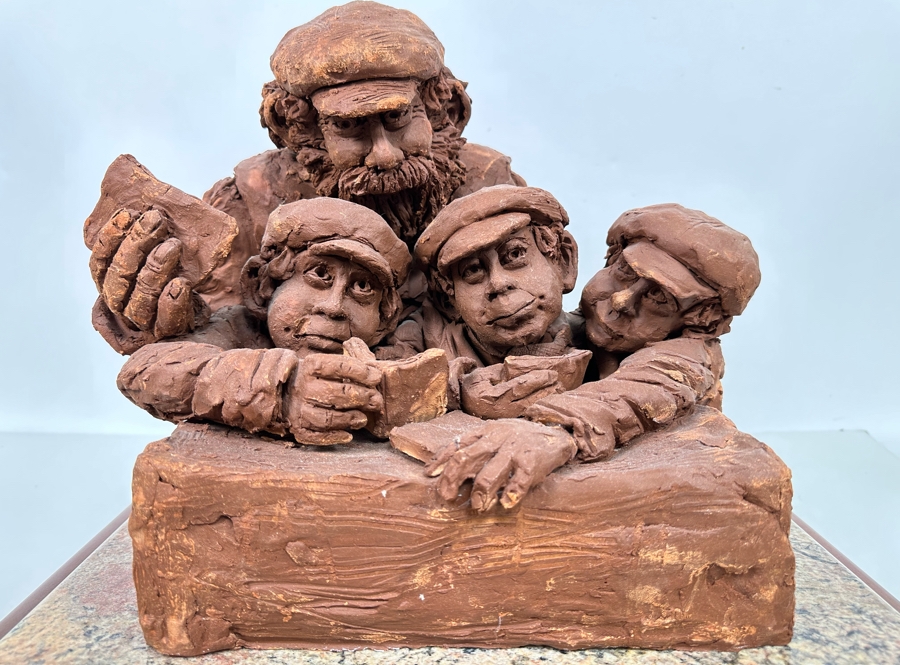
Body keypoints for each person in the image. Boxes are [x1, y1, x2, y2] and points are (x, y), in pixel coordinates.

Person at [87, 1, 526, 354]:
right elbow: (214, 331)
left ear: (439, 109)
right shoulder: (254, 201)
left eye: (397, 118)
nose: (384, 155)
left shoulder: (488, 183)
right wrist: (157, 314)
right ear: (302, 129)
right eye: (349, 126)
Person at [428, 203, 761, 512]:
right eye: (624, 272)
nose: (620, 301)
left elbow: (644, 387)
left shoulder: (688, 354)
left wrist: (551, 428)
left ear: (695, 322)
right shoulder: (559, 326)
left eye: (659, 297)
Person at [117, 197, 420, 446]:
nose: (334, 307)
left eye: (363, 288)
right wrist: (281, 391)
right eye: (319, 274)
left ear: (385, 319)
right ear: (264, 288)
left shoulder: (394, 352)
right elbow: (142, 371)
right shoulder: (240, 328)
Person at [379, 184, 584, 418]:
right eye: (472, 270)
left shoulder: (598, 332)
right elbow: (382, 384)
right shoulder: (420, 339)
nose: (498, 284)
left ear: (563, 262)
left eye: (515, 254)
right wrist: (457, 391)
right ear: (448, 299)